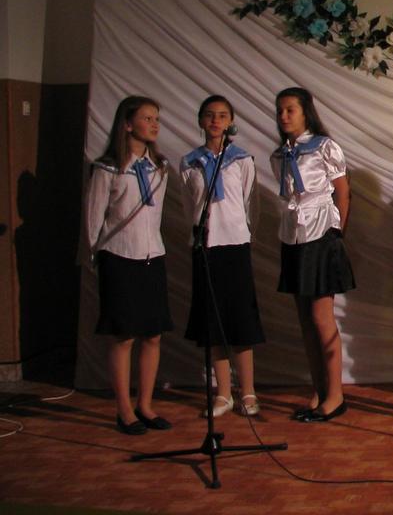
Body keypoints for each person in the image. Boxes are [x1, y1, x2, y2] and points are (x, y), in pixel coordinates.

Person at [85, 95, 173, 435]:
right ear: (127, 124)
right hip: (119, 257)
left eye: (156, 119)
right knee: (124, 336)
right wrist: (96, 256)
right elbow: (94, 218)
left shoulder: (159, 167)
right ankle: (124, 410)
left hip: (153, 255)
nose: (153, 124)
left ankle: (145, 404)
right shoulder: (108, 168)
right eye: (147, 118)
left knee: (152, 334)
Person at [272, 87, 355, 423]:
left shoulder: (324, 146)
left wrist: (338, 232)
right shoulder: (279, 155)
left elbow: (343, 192)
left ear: (305, 112)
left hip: (321, 235)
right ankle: (319, 390)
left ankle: (336, 395)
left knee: (322, 318)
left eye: (290, 109)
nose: (284, 116)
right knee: (305, 320)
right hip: (293, 237)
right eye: (280, 110)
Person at [181, 95, 264, 417]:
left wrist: (245, 233)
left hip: (235, 245)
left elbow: (250, 202)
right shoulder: (189, 163)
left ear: (230, 122)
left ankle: (248, 392)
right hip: (206, 246)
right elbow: (190, 206)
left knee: (240, 319)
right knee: (212, 321)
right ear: (201, 121)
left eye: (222, 116)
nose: (215, 121)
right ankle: (223, 393)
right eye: (210, 115)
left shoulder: (242, 160)